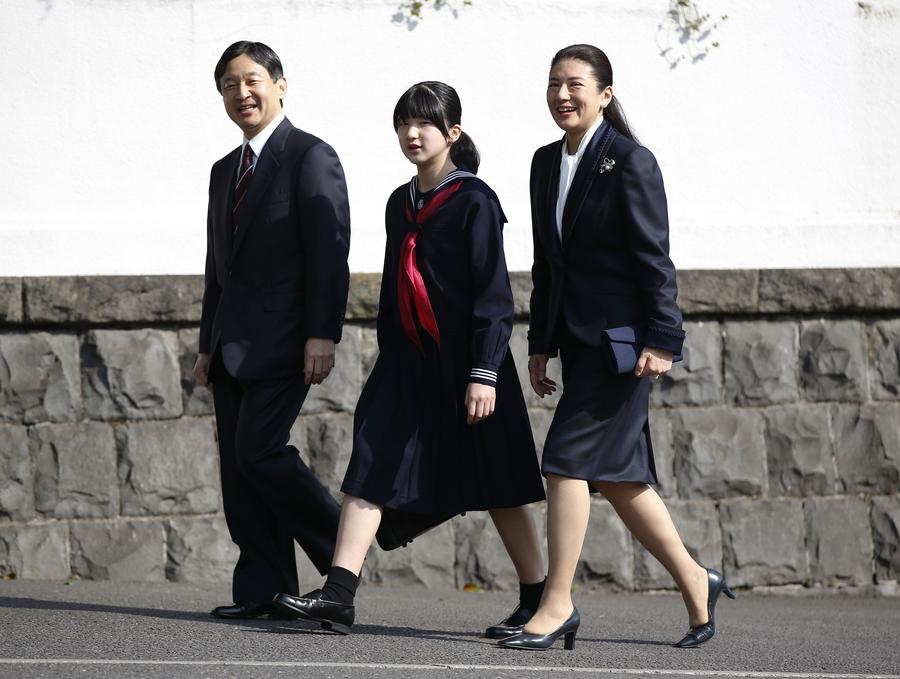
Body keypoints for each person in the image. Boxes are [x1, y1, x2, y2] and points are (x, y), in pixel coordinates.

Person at [272, 82, 546, 636]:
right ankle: (338, 594)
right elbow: (398, 286)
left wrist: (484, 372)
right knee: (370, 460)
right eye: (404, 124)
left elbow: (495, 298)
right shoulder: (401, 202)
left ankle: (540, 599)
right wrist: (387, 361)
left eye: (424, 124)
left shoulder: (476, 200)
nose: (412, 134)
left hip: (471, 366)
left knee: (501, 485)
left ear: (453, 133)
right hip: (407, 363)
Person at [499, 45, 735, 651]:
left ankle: (556, 604)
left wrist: (662, 339)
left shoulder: (630, 161)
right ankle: (696, 580)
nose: (562, 95)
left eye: (575, 84)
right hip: (577, 345)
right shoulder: (544, 163)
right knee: (623, 480)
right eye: (554, 84)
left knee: (563, 462)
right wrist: (541, 343)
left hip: (626, 348)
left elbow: (653, 259)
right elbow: (547, 262)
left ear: (605, 94)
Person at [193, 41, 350, 619]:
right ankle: (263, 590)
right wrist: (206, 344)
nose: (242, 94)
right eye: (230, 85)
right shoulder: (222, 172)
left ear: (280, 84)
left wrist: (322, 333)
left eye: (252, 80)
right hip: (230, 346)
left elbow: (329, 254)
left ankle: (344, 549)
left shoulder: (311, 156)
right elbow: (218, 268)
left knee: (259, 451)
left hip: (287, 340)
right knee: (238, 470)